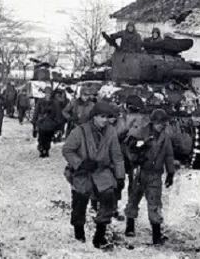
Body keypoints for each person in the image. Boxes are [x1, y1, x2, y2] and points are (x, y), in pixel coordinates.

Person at [62, 101, 125, 248]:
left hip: (102, 171)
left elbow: (117, 156)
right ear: (94, 116)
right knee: (79, 203)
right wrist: (80, 163)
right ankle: (79, 235)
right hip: (82, 172)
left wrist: (120, 176)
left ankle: (99, 236)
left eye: (107, 117)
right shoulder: (80, 131)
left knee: (109, 198)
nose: (104, 120)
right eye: (101, 116)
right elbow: (67, 150)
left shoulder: (111, 132)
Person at [124, 108, 175, 245]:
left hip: (155, 174)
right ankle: (130, 224)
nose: (162, 125)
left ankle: (156, 234)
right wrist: (135, 158)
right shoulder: (140, 132)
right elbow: (129, 147)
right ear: (153, 122)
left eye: (164, 123)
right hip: (140, 171)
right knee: (134, 198)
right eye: (159, 123)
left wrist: (171, 172)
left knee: (155, 202)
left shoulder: (165, 136)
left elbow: (169, 155)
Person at [32, 87, 63, 157]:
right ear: (45, 94)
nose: (47, 95)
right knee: (41, 138)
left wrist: (59, 123)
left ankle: (46, 150)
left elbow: (58, 113)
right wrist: (34, 121)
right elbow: (36, 111)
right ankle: (41, 150)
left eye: (49, 94)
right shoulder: (40, 101)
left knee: (48, 138)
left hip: (51, 124)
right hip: (42, 123)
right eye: (46, 93)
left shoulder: (55, 103)